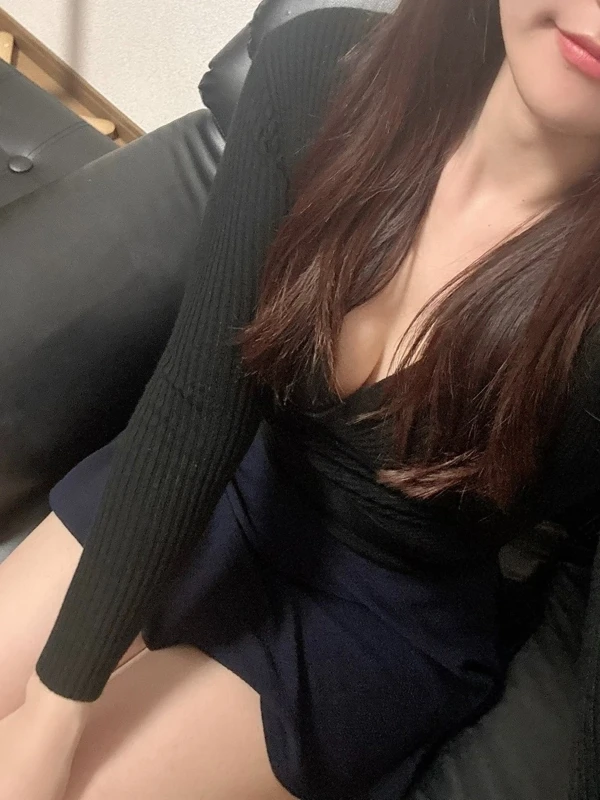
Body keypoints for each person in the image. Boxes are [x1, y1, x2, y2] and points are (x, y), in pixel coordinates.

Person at [2, 0, 600, 797]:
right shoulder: (324, 72)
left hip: (376, 608)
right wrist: (52, 709)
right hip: (213, 476)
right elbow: (198, 399)